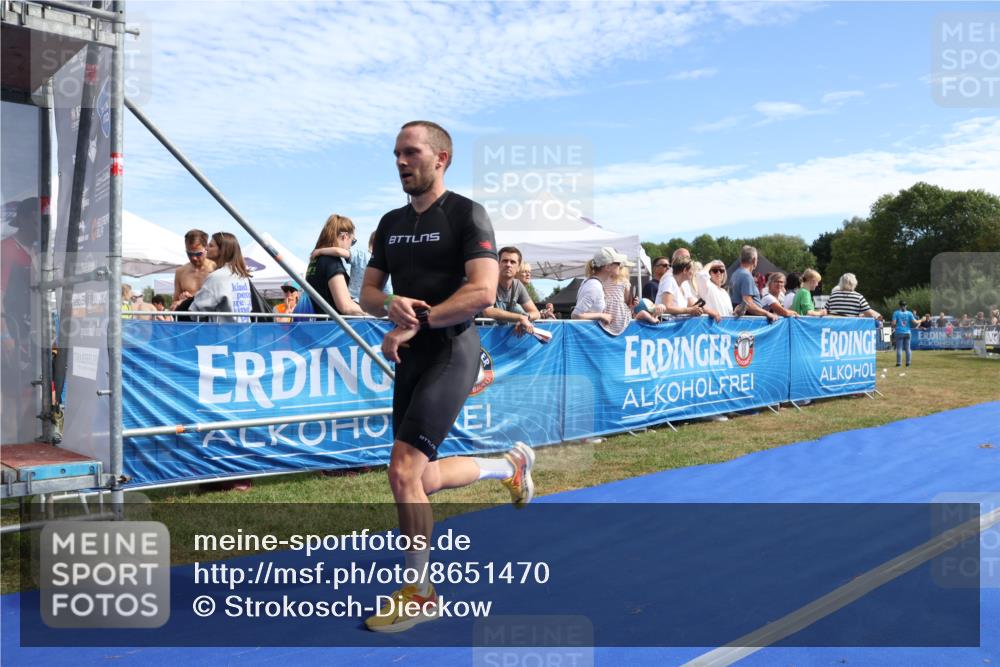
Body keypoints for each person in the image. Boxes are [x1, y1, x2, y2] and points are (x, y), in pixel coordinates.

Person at [359, 121, 535, 633]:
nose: (400, 162)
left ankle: (421, 592)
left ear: (442, 158)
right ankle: (509, 466)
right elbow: (369, 293)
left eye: (410, 152)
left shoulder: (466, 214)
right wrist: (392, 304)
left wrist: (416, 322)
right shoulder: (390, 222)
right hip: (411, 355)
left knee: (401, 471)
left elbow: (482, 290)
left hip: (452, 350)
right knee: (420, 477)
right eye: (395, 154)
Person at [306, 214, 365, 316]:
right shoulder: (331, 262)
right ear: (344, 236)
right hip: (335, 328)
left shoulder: (315, 261)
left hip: (319, 326)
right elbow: (346, 307)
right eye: (353, 241)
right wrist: (376, 314)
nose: (350, 247)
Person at [189, 232, 253, 323]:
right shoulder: (241, 275)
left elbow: (195, 312)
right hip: (243, 333)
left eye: (211, 246)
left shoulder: (218, 277)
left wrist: (185, 302)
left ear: (222, 250)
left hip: (223, 334)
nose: (206, 248)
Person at [482, 246, 540, 336]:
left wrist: (526, 318)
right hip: (482, 336)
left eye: (513, 262)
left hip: (500, 337)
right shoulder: (488, 281)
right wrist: (520, 318)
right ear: (498, 264)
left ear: (518, 268)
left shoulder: (517, 285)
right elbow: (488, 311)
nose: (508, 264)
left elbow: (536, 313)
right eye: (505, 261)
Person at [570, 247, 623, 327]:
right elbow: (575, 315)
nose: (621, 266)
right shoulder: (594, 286)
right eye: (618, 263)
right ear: (607, 267)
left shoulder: (591, 282)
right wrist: (601, 316)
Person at [728, 245, 778, 323]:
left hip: (742, 320)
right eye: (757, 259)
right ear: (754, 260)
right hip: (750, 323)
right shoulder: (746, 275)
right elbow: (748, 303)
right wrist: (767, 313)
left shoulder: (735, 274)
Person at [172, 229, 216, 307]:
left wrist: (190, 300)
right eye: (189, 253)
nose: (194, 258)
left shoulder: (215, 268)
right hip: (186, 318)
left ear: (206, 248)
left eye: (198, 254)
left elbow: (220, 299)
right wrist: (179, 303)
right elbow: (174, 305)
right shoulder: (180, 272)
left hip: (209, 318)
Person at [892, 301, 919, 367]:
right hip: (907, 332)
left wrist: (894, 326)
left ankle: (899, 363)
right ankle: (908, 363)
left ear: (900, 306)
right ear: (906, 305)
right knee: (908, 348)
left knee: (899, 349)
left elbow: (893, 324)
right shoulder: (909, 313)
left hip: (899, 332)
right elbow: (915, 322)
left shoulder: (896, 313)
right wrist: (922, 320)